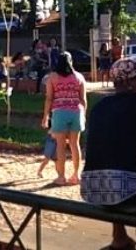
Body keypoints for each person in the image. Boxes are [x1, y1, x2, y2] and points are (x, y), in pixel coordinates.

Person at [81, 58, 136, 249]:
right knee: (126, 177)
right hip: (131, 197)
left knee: (114, 166)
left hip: (93, 192)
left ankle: (119, 237)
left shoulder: (100, 106)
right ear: (129, 82)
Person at [41, 51, 87, 186]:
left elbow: (49, 98)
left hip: (59, 112)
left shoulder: (52, 77)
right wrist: (83, 115)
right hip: (76, 112)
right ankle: (76, 175)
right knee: (75, 144)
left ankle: (61, 177)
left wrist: (45, 116)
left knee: (60, 146)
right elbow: (83, 99)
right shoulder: (79, 77)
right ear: (71, 62)